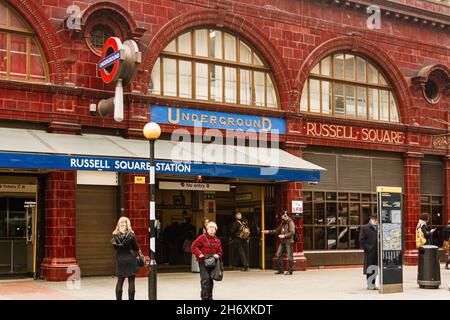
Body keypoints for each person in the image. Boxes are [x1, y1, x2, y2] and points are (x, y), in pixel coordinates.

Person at [191, 221, 223, 300]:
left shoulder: (217, 240)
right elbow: (193, 246)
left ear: (216, 230)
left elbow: (220, 251)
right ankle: (204, 297)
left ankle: (210, 296)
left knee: (211, 279)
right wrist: (199, 254)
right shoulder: (202, 237)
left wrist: (218, 255)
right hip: (203, 261)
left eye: (213, 228)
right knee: (205, 279)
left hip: (213, 262)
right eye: (210, 228)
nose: (211, 229)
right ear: (207, 229)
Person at [111, 217, 140, 300]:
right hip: (130, 259)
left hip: (120, 259)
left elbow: (116, 248)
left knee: (120, 281)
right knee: (131, 281)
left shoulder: (115, 236)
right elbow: (136, 248)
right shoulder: (131, 235)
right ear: (128, 224)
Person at [262, 210, 295, 275]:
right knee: (278, 254)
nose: (281, 217)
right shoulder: (283, 223)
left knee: (290, 256)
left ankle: (290, 270)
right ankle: (281, 270)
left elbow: (292, 232)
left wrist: (284, 235)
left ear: (285, 215)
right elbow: (277, 230)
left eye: (282, 216)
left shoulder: (290, 222)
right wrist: (268, 231)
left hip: (288, 241)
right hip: (283, 242)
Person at [359, 212, 378, 290]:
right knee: (370, 268)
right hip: (370, 252)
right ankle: (370, 284)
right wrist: (367, 248)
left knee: (375, 268)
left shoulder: (378, 228)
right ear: (372, 219)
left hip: (377, 252)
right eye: (376, 220)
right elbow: (361, 240)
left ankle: (373, 283)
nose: (377, 221)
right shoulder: (365, 227)